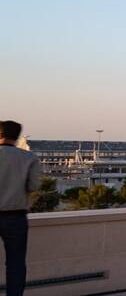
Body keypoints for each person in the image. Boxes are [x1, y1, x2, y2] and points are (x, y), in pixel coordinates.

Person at [1, 121, 40, 296]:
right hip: (15, 217)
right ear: (16, 137)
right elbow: (33, 186)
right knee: (15, 263)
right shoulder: (29, 158)